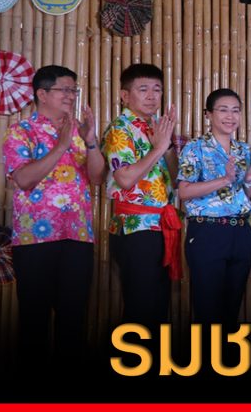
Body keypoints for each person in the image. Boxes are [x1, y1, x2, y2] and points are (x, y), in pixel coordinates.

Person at [3, 65, 105, 368]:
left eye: (74, 90)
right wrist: (61, 146)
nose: (71, 96)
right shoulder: (21, 131)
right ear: (42, 94)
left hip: (78, 236)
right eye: (64, 90)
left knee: (73, 319)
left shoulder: (79, 131)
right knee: (34, 320)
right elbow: (24, 179)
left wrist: (90, 141)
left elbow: (97, 178)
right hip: (35, 239)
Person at [177, 89, 251, 329]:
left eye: (235, 111)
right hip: (207, 232)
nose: (230, 116)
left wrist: (249, 179)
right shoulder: (195, 148)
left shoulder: (244, 150)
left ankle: (227, 354)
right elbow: (184, 191)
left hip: (240, 232)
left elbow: (245, 195)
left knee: (231, 311)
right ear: (208, 114)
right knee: (208, 311)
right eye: (223, 110)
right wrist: (225, 180)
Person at [102, 63, 179, 330]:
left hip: (160, 225)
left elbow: (175, 179)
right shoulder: (119, 128)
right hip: (135, 228)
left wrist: (168, 146)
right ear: (125, 95)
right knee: (141, 307)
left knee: (158, 306)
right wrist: (158, 148)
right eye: (143, 89)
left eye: (157, 89)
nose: (152, 96)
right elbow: (124, 179)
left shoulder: (156, 127)